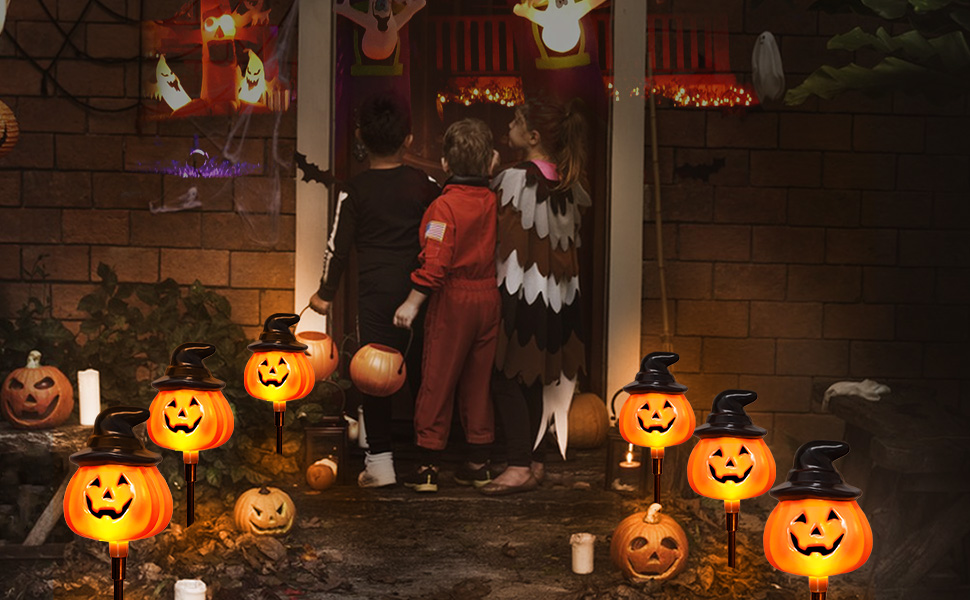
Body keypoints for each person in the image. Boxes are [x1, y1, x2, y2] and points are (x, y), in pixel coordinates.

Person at [308, 91, 439, 488]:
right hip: (419, 293)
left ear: (361, 137)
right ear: (409, 140)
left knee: (374, 376)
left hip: (376, 296)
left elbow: (337, 246)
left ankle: (380, 464)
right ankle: (428, 462)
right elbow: (439, 232)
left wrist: (325, 293)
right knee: (422, 375)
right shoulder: (426, 185)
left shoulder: (355, 190)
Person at [479, 96, 591, 496]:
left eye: (517, 120)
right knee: (537, 377)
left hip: (519, 293)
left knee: (507, 374)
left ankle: (518, 464)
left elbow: (500, 241)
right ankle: (536, 461)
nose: (509, 124)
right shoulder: (568, 183)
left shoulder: (515, 180)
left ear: (533, 136)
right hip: (558, 299)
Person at [393, 118, 502, 493]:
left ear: (444, 164)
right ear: (491, 163)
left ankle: (426, 466)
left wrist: (412, 302)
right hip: (489, 297)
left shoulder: (443, 207)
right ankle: (479, 461)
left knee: (437, 377)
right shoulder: (492, 201)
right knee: (478, 381)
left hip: (454, 299)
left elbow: (436, 261)